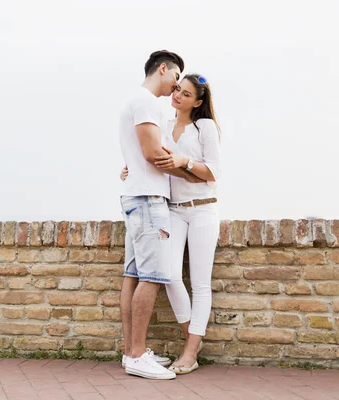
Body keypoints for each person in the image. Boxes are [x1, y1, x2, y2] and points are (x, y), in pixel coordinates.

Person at [121, 73, 221, 375]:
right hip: (173, 210)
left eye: (186, 94)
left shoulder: (205, 127)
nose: (178, 95)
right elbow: (153, 157)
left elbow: (213, 172)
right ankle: (191, 334)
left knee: (201, 283)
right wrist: (132, 168)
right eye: (177, 89)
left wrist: (184, 162)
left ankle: (190, 351)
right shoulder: (163, 124)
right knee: (170, 276)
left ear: (198, 102)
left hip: (203, 210)